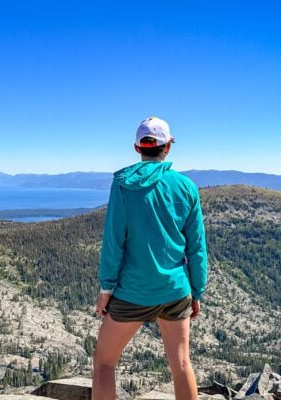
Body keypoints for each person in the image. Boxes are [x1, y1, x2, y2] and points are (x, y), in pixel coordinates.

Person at [92, 117, 208, 400]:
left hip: (133, 291)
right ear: (167, 147)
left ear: (137, 148)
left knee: (104, 362)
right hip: (176, 290)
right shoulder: (186, 187)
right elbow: (197, 247)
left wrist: (106, 290)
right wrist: (197, 292)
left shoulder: (123, 185)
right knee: (181, 364)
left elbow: (113, 242)